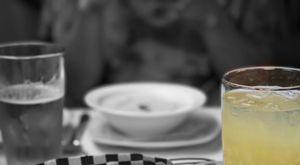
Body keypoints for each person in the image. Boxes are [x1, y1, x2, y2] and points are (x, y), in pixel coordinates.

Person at [39, 0, 300, 106]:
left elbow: (257, 87)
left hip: (212, 122)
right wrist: (91, 10)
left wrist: (210, 17)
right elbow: (72, 88)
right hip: (105, 123)